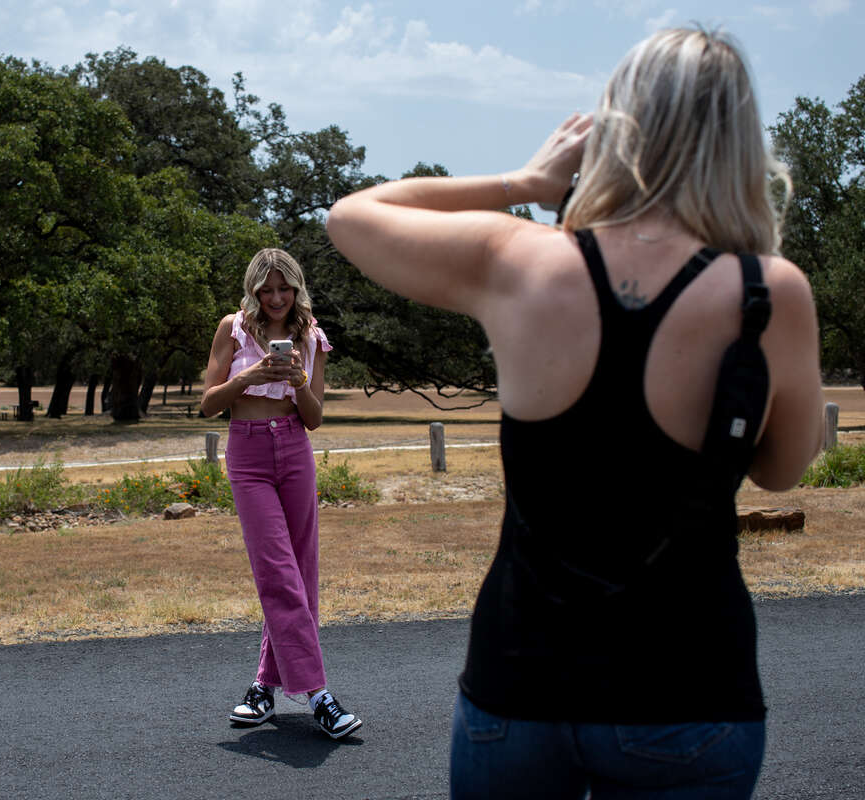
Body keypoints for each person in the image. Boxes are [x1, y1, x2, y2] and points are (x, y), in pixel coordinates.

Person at [326, 26, 824, 799]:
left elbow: (352, 216)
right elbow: (782, 471)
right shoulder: (768, 294)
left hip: (519, 683)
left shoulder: (520, 259)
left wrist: (523, 178)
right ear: (735, 142)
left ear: (618, 125)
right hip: (689, 687)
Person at [200, 247, 363, 740]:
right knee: (277, 573)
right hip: (248, 457)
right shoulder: (232, 328)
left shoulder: (311, 337)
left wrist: (298, 383)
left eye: (284, 288)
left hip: (294, 451)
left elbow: (314, 418)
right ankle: (319, 695)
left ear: (297, 288)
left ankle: (262, 690)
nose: (275, 298)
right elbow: (208, 404)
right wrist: (249, 376)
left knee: (300, 573)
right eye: (266, 289)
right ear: (253, 290)